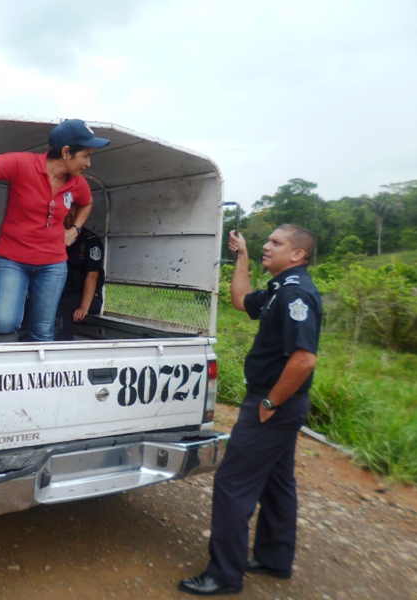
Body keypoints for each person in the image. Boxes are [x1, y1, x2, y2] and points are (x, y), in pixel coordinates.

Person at [179, 225, 323, 596]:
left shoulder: (295, 294)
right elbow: (242, 300)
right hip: (280, 404)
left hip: (274, 404)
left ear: (297, 255)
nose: (267, 246)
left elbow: (304, 359)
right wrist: (241, 256)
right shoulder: (279, 288)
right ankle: (274, 558)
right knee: (277, 481)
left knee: (232, 483)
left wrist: (270, 402)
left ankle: (224, 574)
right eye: (267, 241)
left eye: (276, 242)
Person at [0, 118, 110, 341]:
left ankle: (36, 361)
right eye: (86, 156)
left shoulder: (77, 183)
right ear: (66, 152)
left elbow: (87, 202)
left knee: (43, 330)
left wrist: (75, 229)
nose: (88, 163)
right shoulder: (24, 163)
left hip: (52, 265)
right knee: (4, 322)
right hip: (12, 259)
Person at [55, 205, 105, 341]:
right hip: (66, 292)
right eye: (67, 216)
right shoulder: (57, 239)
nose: (70, 220)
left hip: (89, 298)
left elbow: (92, 276)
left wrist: (83, 307)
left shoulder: (91, 242)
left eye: (74, 217)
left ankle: (64, 345)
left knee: (62, 305)